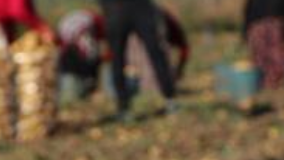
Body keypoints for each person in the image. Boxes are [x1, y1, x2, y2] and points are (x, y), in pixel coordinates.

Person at [56, 6, 188, 98]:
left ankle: (93, 85)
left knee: (93, 58)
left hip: (75, 28)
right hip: (80, 29)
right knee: (91, 58)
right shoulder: (97, 25)